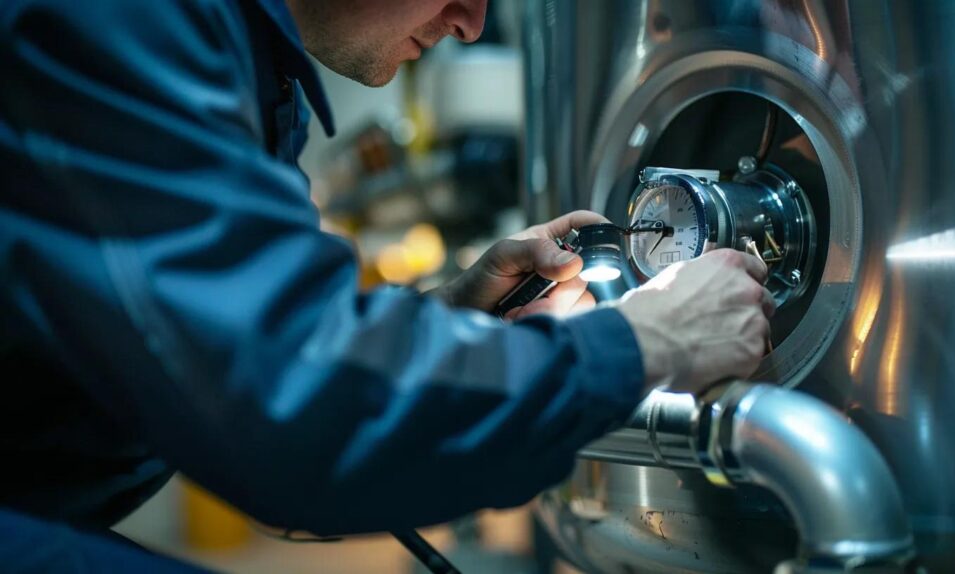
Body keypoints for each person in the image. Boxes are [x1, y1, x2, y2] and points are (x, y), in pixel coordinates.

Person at [0, 0, 773, 569]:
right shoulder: (124, 22)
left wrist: (446, 326)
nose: (471, 21)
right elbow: (294, 421)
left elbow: (243, 349)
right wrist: (643, 343)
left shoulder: (242, 57)